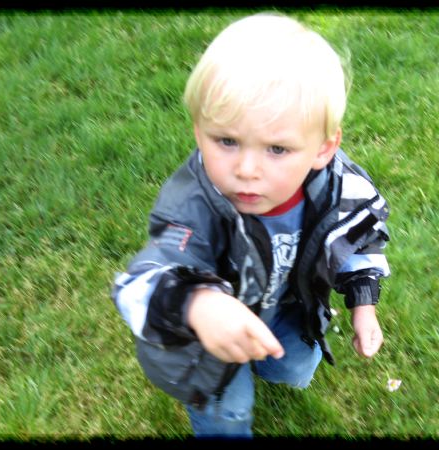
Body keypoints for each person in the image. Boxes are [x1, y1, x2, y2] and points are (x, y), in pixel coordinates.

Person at [111, 12, 391, 438]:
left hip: (288, 308)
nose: (246, 169)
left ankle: (273, 368)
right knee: (227, 411)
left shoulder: (340, 188)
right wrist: (197, 305)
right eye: (227, 141)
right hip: (208, 337)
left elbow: (359, 239)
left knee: (294, 367)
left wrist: (363, 303)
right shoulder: (195, 204)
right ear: (199, 131)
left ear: (323, 148)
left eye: (277, 149)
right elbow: (141, 283)